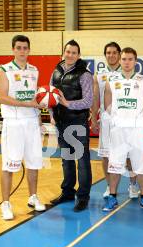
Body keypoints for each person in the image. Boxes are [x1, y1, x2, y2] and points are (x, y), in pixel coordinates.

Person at [0, 35, 46, 220]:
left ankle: (33, 197)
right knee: (9, 165)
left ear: (29, 50)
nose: (22, 51)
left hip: (32, 122)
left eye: (25, 48)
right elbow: (2, 97)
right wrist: (28, 105)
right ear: (13, 50)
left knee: (34, 163)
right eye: (18, 47)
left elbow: (35, 97)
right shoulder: (4, 70)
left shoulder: (34, 70)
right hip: (14, 122)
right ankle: (6, 204)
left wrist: (39, 116)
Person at [102, 47, 143, 212]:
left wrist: (135, 115)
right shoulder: (111, 81)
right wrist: (120, 117)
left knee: (140, 164)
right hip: (118, 129)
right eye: (124, 59)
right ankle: (112, 197)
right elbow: (107, 105)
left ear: (136, 61)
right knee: (115, 164)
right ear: (120, 60)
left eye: (130, 59)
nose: (126, 62)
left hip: (137, 129)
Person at [91, 42, 139, 200]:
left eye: (114, 53)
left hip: (125, 120)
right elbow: (96, 98)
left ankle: (133, 185)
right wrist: (94, 119)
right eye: (108, 53)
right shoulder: (99, 75)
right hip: (107, 120)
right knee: (106, 155)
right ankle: (109, 186)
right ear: (105, 55)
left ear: (119, 55)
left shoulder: (128, 73)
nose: (111, 55)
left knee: (129, 155)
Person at [49, 40, 93, 212]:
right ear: (64, 52)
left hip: (77, 123)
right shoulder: (56, 70)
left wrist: (68, 104)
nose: (70, 55)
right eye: (68, 51)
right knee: (66, 159)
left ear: (78, 55)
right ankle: (67, 192)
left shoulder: (85, 74)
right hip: (61, 122)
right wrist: (52, 115)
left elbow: (88, 100)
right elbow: (50, 95)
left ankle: (83, 197)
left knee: (82, 161)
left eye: (74, 52)